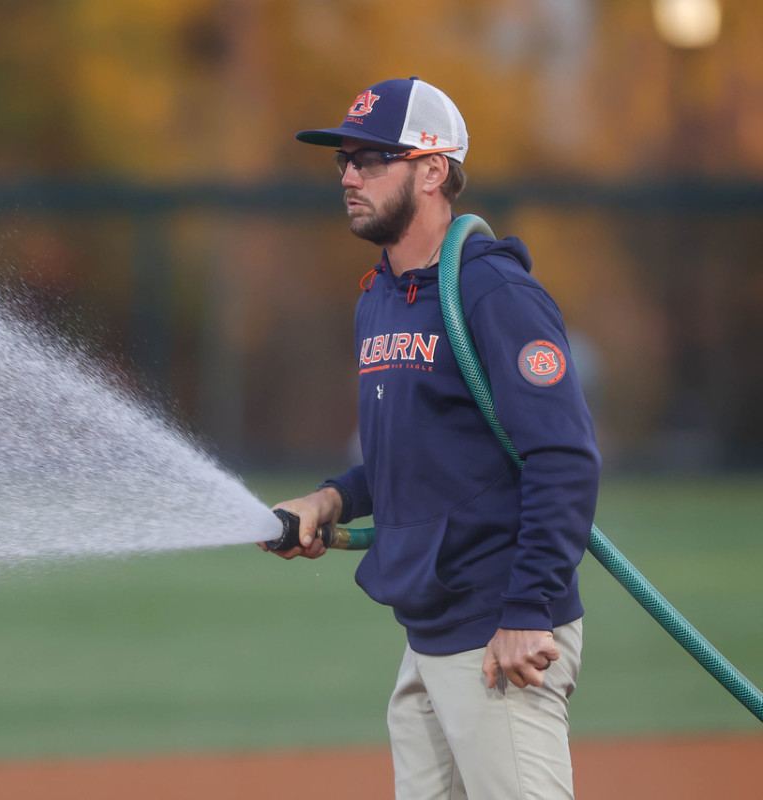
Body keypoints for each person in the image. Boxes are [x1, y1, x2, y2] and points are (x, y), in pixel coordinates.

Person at [263, 77, 600, 799]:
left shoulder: (491, 292)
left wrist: (527, 611)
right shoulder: (378, 298)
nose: (350, 176)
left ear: (433, 169)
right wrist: (331, 500)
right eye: (343, 161)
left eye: (373, 158)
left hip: (498, 631)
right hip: (431, 633)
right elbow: (407, 457)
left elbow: (564, 458)